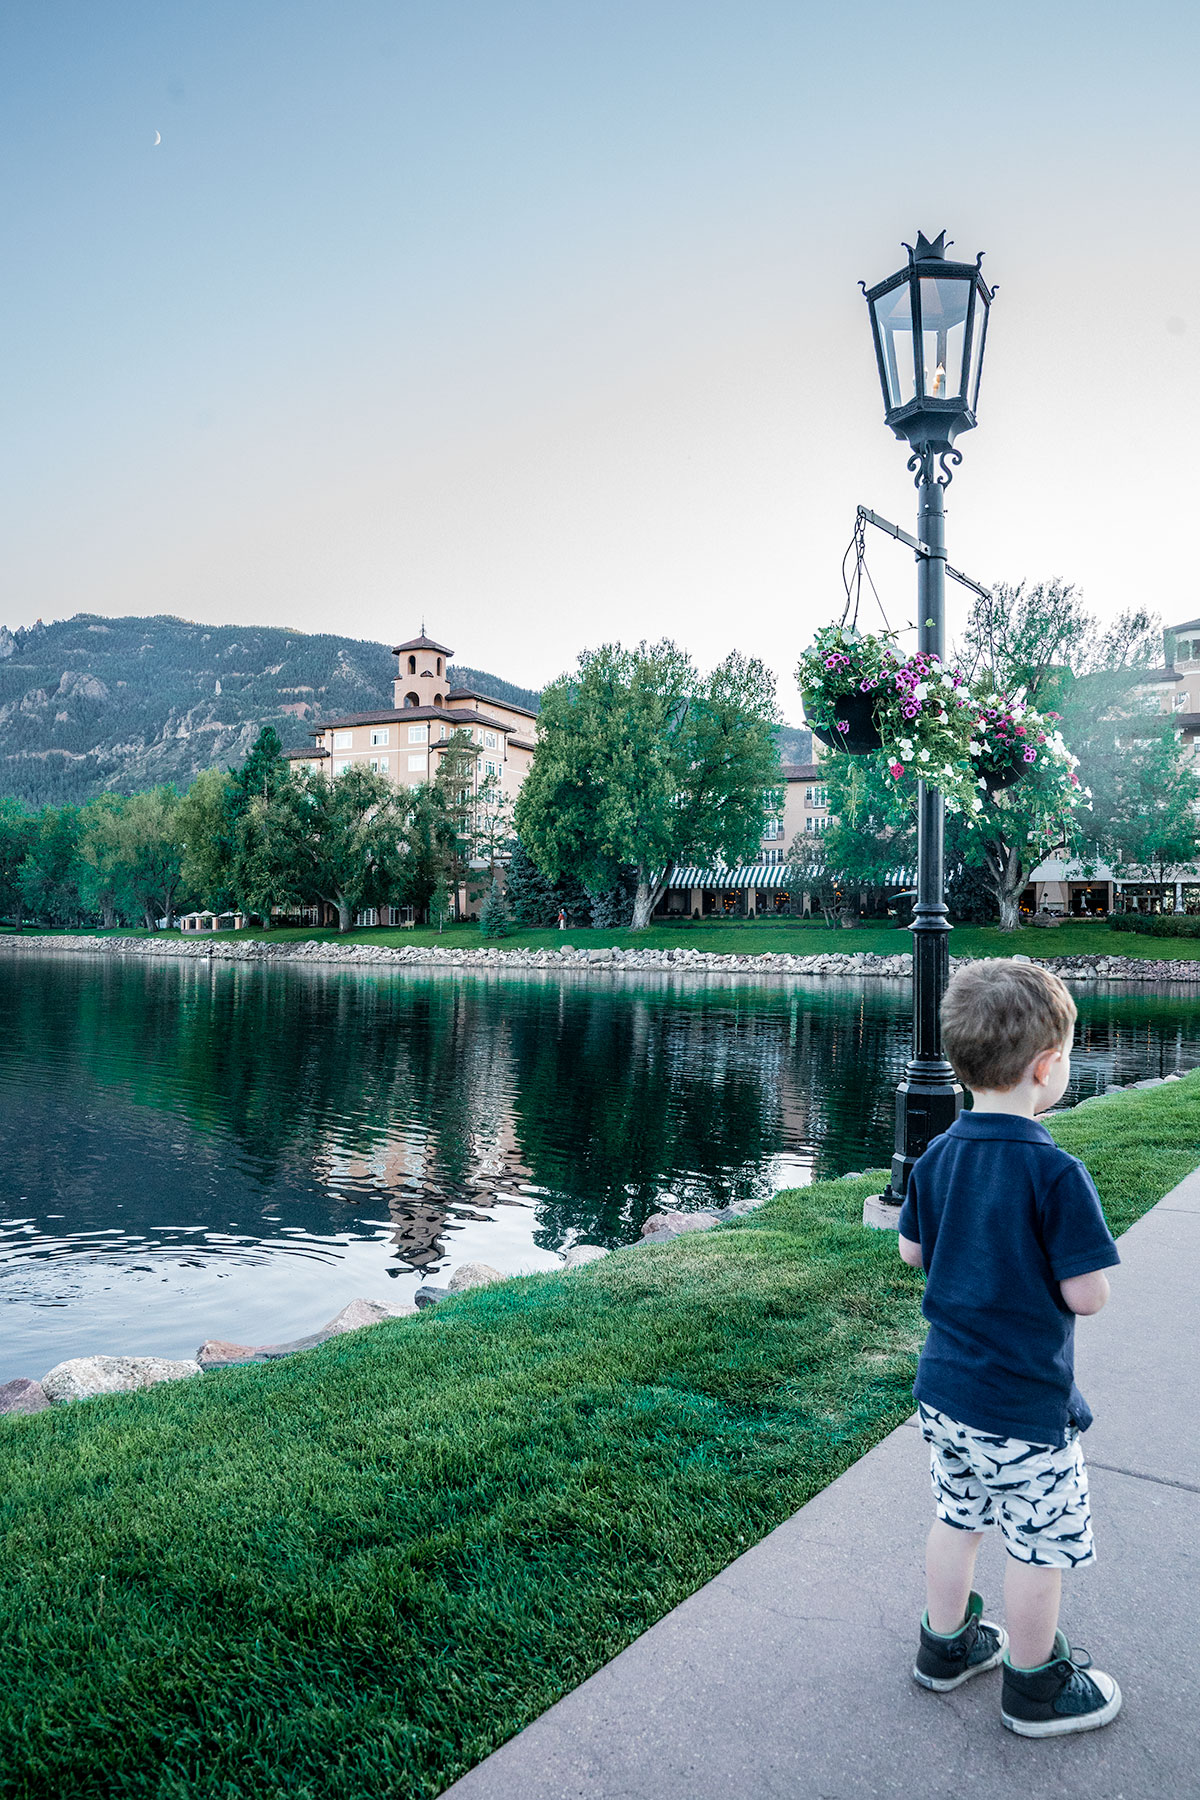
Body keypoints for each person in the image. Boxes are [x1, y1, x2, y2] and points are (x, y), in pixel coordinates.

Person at [897, 960, 1123, 1738]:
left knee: (956, 1517)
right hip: (1024, 1405)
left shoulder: (937, 1155)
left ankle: (945, 1645)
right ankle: (1034, 1685)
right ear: (1047, 1067)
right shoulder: (1055, 1172)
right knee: (1039, 1542)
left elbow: (911, 1254)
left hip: (945, 1395)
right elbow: (1087, 1295)